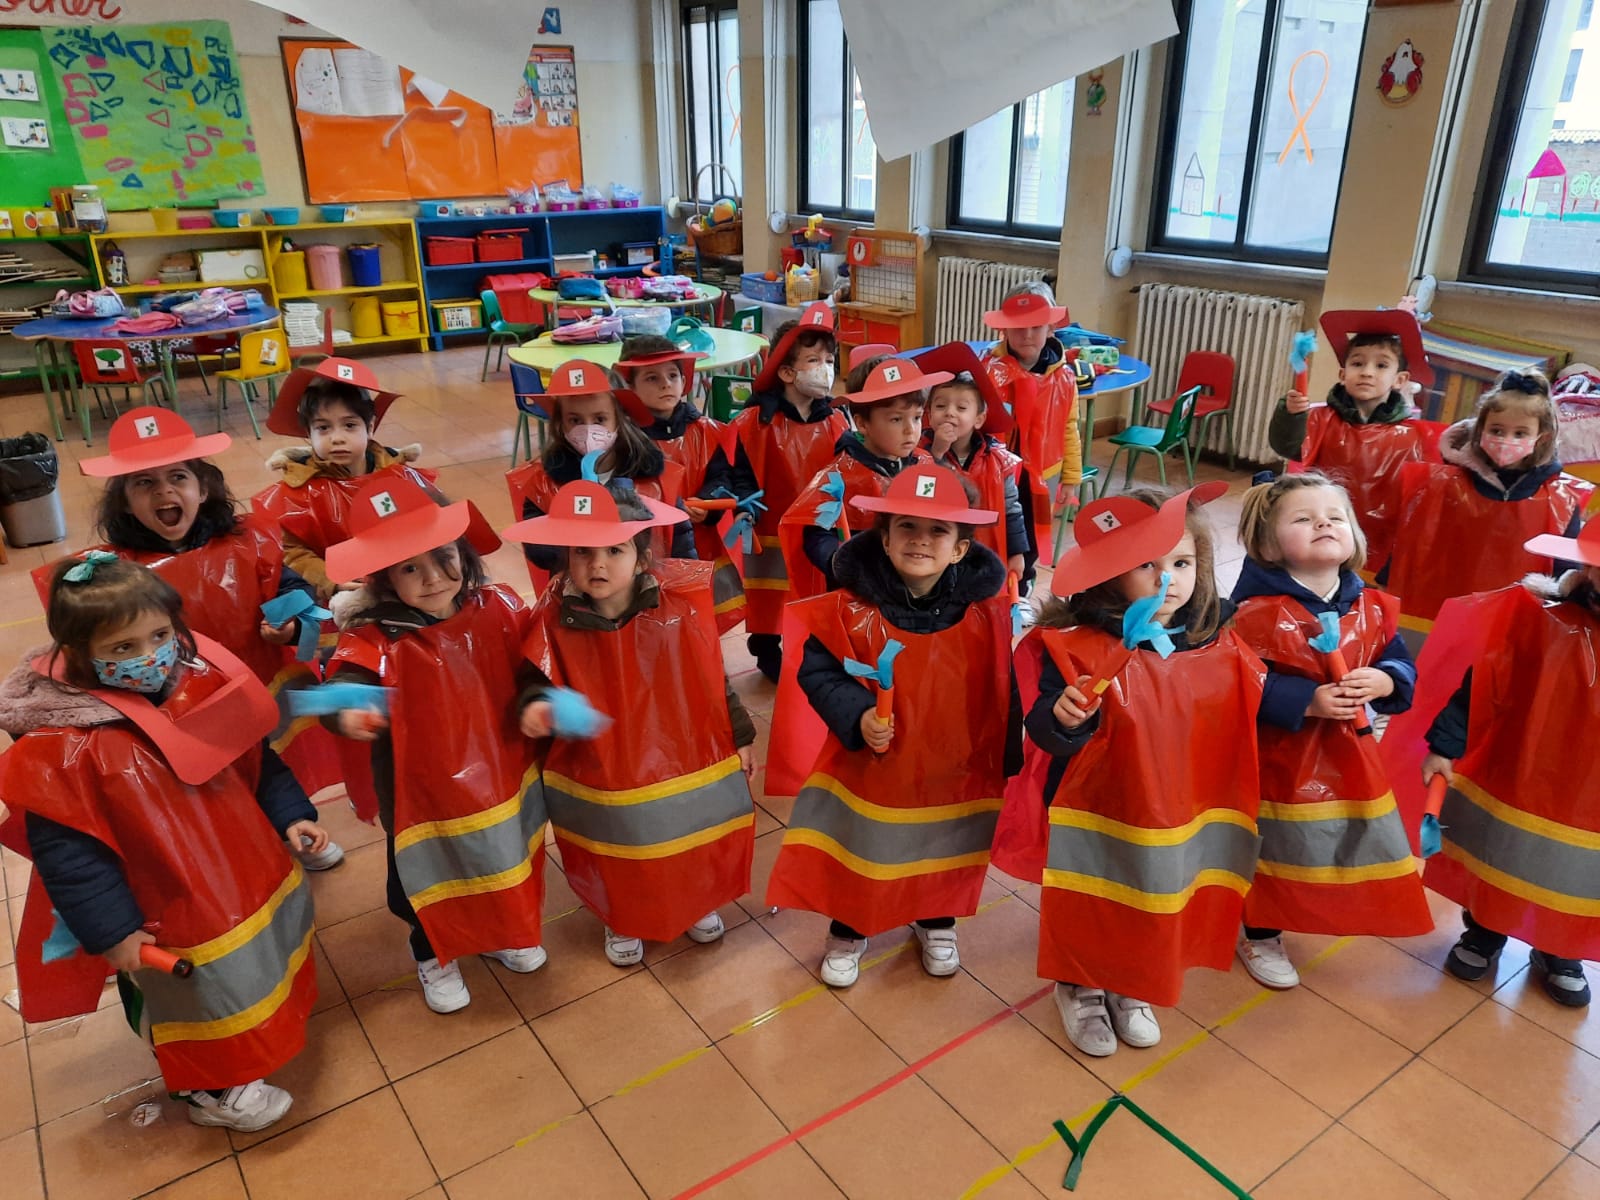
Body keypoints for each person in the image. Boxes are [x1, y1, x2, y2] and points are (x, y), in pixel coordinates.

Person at [0, 555, 324, 1132]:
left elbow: (255, 758)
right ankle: (210, 1088)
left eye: (158, 635)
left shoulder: (194, 682)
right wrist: (112, 931)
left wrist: (291, 814)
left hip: (241, 871)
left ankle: (249, 1046)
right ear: (77, 653)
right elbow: (72, 855)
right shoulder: (60, 744)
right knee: (194, 999)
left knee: (251, 969)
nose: (148, 655)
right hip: (168, 904)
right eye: (122, 648)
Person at [1018, 484, 1264, 1057]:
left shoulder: (1215, 639)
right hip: (1096, 807)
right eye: (1146, 565)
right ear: (1108, 573)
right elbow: (1045, 734)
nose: (1167, 580)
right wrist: (1065, 717)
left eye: (1182, 563)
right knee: (1095, 895)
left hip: (1174, 805)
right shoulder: (1073, 644)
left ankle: (1133, 982)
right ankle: (1079, 983)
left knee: (1155, 890)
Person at [41, 407, 344, 869]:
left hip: (264, 687)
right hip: (180, 706)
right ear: (123, 501)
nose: (164, 490)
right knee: (216, 778)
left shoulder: (250, 540)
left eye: (178, 476)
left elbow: (293, 590)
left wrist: (292, 621)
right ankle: (254, 843)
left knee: (274, 765)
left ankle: (295, 828)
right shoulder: (113, 574)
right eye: (144, 482)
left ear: (202, 489)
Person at [765, 466, 1019, 987]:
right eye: (906, 526)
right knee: (865, 843)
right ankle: (850, 926)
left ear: (961, 549)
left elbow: (1002, 684)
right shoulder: (849, 609)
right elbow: (818, 671)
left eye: (938, 531)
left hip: (952, 765)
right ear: (883, 539)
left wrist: (1007, 756)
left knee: (943, 843)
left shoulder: (987, 614)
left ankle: (937, 919)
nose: (920, 540)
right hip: (871, 764)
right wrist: (856, 716)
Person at [506, 477, 759, 966]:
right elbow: (532, 679)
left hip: (682, 752)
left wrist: (741, 733)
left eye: (614, 550)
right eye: (582, 552)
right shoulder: (552, 618)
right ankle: (620, 916)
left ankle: (694, 900)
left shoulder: (679, 605)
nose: (597, 564)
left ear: (641, 557)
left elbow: (712, 673)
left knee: (688, 829)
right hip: (602, 764)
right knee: (616, 842)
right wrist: (536, 707)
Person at [322, 476, 548, 1014]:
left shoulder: (498, 605)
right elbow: (342, 685)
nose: (431, 578)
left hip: (498, 774)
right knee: (422, 875)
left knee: (499, 856)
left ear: (464, 553)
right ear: (382, 579)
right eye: (408, 568)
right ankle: (432, 952)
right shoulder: (375, 636)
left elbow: (533, 663)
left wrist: (538, 699)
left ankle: (491, 932)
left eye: (443, 557)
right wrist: (345, 711)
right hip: (418, 791)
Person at [1228, 474, 1431, 989]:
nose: (1323, 523)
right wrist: (1305, 700)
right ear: (1269, 544)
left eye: (1335, 517)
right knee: (1273, 843)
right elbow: (1232, 682)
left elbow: (1398, 661)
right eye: (1303, 518)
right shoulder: (1249, 615)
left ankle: (1312, 903)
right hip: (1276, 760)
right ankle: (1261, 928)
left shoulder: (1373, 606)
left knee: (1330, 837)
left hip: (1351, 758)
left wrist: (1386, 678)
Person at [1395, 517, 1600, 1007]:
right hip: (1521, 774)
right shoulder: (1544, 620)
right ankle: (1486, 930)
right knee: (1503, 852)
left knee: (1576, 872)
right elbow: (1484, 685)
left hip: (1592, 798)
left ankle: (1559, 947)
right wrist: (1445, 745)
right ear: (1589, 567)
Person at [1386, 370, 1590, 637]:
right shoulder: (1441, 483)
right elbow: (1410, 541)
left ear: (1541, 438)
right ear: (1479, 429)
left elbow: (1564, 573)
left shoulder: (1562, 499)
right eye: (1496, 430)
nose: (1507, 440)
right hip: (1433, 618)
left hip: (1509, 628)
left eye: (1520, 433)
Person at [726, 302, 850, 680]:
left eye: (829, 359)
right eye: (813, 360)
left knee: (816, 587)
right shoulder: (755, 421)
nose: (825, 369)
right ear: (785, 371)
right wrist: (744, 507)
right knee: (768, 592)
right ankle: (765, 650)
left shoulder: (835, 420)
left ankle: (815, 649)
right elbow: (738, 469)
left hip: (819, 527)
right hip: (768, 526)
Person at [252, 357, 434, 605]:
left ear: (370, 427)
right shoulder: (296, 492)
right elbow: (290, 552)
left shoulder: (397, 476)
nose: (337, 438)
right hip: (337, 601)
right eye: (323, 428)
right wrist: (329, 577)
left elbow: (429, 530)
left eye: (349, 425)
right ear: (308, 433)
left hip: (402, 592)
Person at [1268, 309, 1435, 577]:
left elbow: (1420, 499)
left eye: (1381, 366)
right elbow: (1288, 446)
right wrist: (1292, 415)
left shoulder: (1412, 436)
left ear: (1400, 379)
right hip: (1322, 528)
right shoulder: (1322, 418)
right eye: (1358, 364)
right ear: (1343, 374)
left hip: (1378, 541)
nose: (1367, 372)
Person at [505, 357, 695, 593]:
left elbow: (681, 543)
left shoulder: (655, 476)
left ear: (620, 417)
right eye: (575, 420)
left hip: (648, 598)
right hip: (580, 602)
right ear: (560, 423)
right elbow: (539, 551)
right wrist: (577, 524)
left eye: (600, 419)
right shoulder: (542, 482)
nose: (588, 429)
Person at [778, 355, 941, 596]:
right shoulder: (838, 477)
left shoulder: (925, 465)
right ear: (862, 424)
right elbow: (817, 535)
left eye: (917, 417)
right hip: (858, 595)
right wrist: (840, 561)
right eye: (896, 419)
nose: (911, 429)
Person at [613, 335, 745, 631]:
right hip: (650, 547)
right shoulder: (624, 439)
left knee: (701, 613)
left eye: (673, 375)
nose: (666, 384)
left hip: (701, 541)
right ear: (630, 387)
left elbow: (722, 477)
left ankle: (706, 666)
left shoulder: (707, 431)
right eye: (652, 377)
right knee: (655, 615)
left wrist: (709, 503)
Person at [982, 283, 1081, 564]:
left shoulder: (1064, 378)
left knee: (1031, 541)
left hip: (1043, 473)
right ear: (1004, 329)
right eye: (1018, 327)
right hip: (998, 473)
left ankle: (1022, 594)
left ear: (1050, 328)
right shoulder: (989, 370)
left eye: (1036, 326)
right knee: (997, 540)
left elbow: (1069, 429)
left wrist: (1071, 479)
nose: (1027, 335)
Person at [915, 342, 1029, 582]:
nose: (949, 413)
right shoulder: (917, 454)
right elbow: (918, 495)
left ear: (979, 418)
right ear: (929, 414)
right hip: (939, 553)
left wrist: (1017, 551)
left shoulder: (998, 461)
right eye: (940, 406)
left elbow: (1011, 509)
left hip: (985, 550)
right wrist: (935, 453)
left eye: (961, 407)